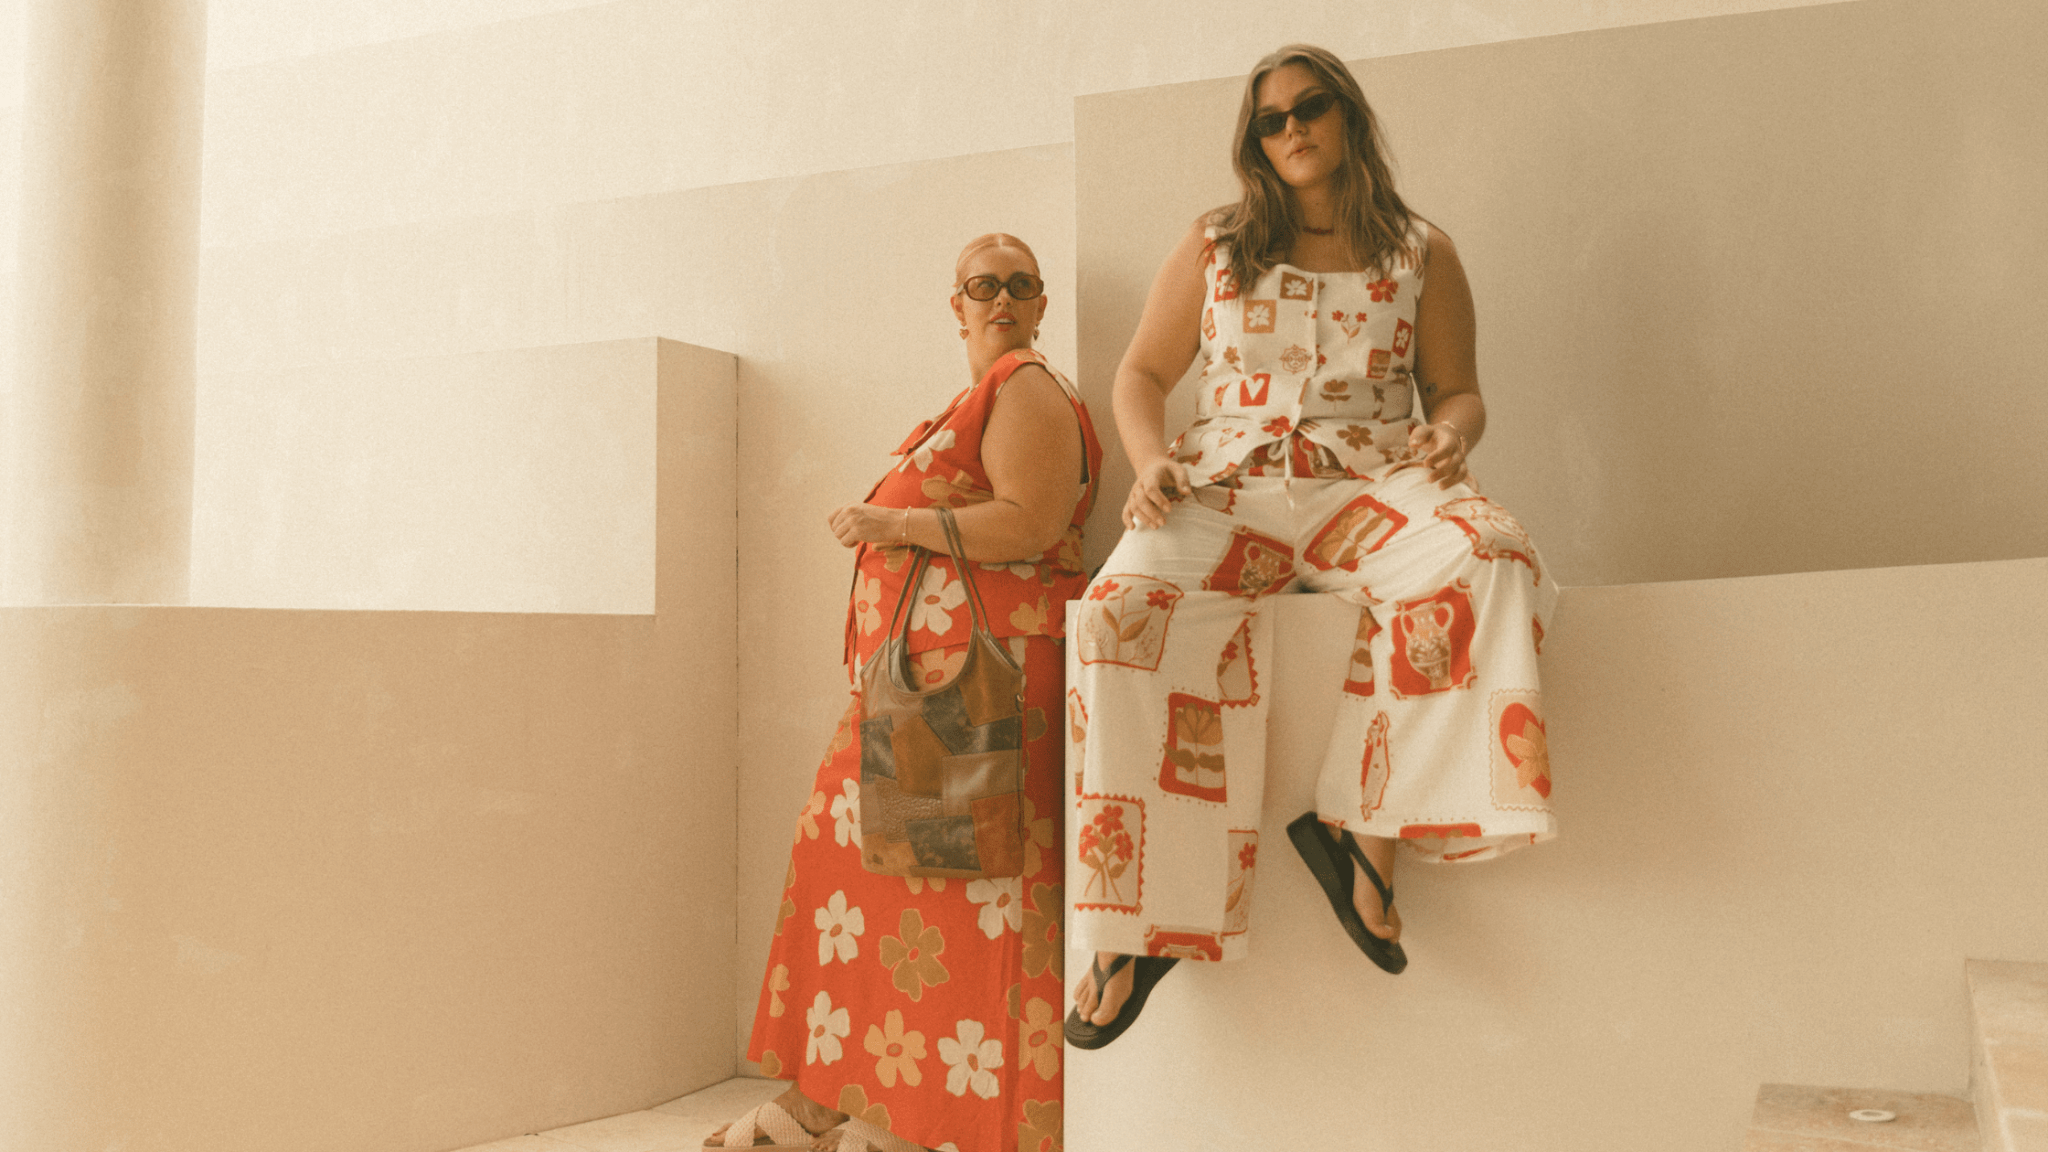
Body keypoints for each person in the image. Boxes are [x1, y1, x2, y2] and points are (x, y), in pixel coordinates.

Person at [1064, 44, 1560, 1048]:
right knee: (1114, 614)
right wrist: (1150, 459)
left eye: (1308, 107)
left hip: (1368, 485)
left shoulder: (1421, 250)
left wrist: (1448, 434)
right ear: (1251, 141)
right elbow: (1139, 374)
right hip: (1228, 486)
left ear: (1346, 117)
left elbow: (1457, 388)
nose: (1288, 129)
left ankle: (1361, 830)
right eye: (1267, 119)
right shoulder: (1217, 242)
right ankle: (1137, 924)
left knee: (1492, 555)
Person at [712, 234, 1100, 1152]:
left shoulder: (1027, 386)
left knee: (952, 894)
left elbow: (1030, 521)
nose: (1000, 296)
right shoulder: (980, 397)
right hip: (934, 694)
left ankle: (911, 1118)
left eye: (1019, 283)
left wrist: (889, 521)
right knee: (898, 886)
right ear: (955, 304)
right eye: (981, 284)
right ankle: (858, 1105)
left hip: (976, 694)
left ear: (1042, 302)